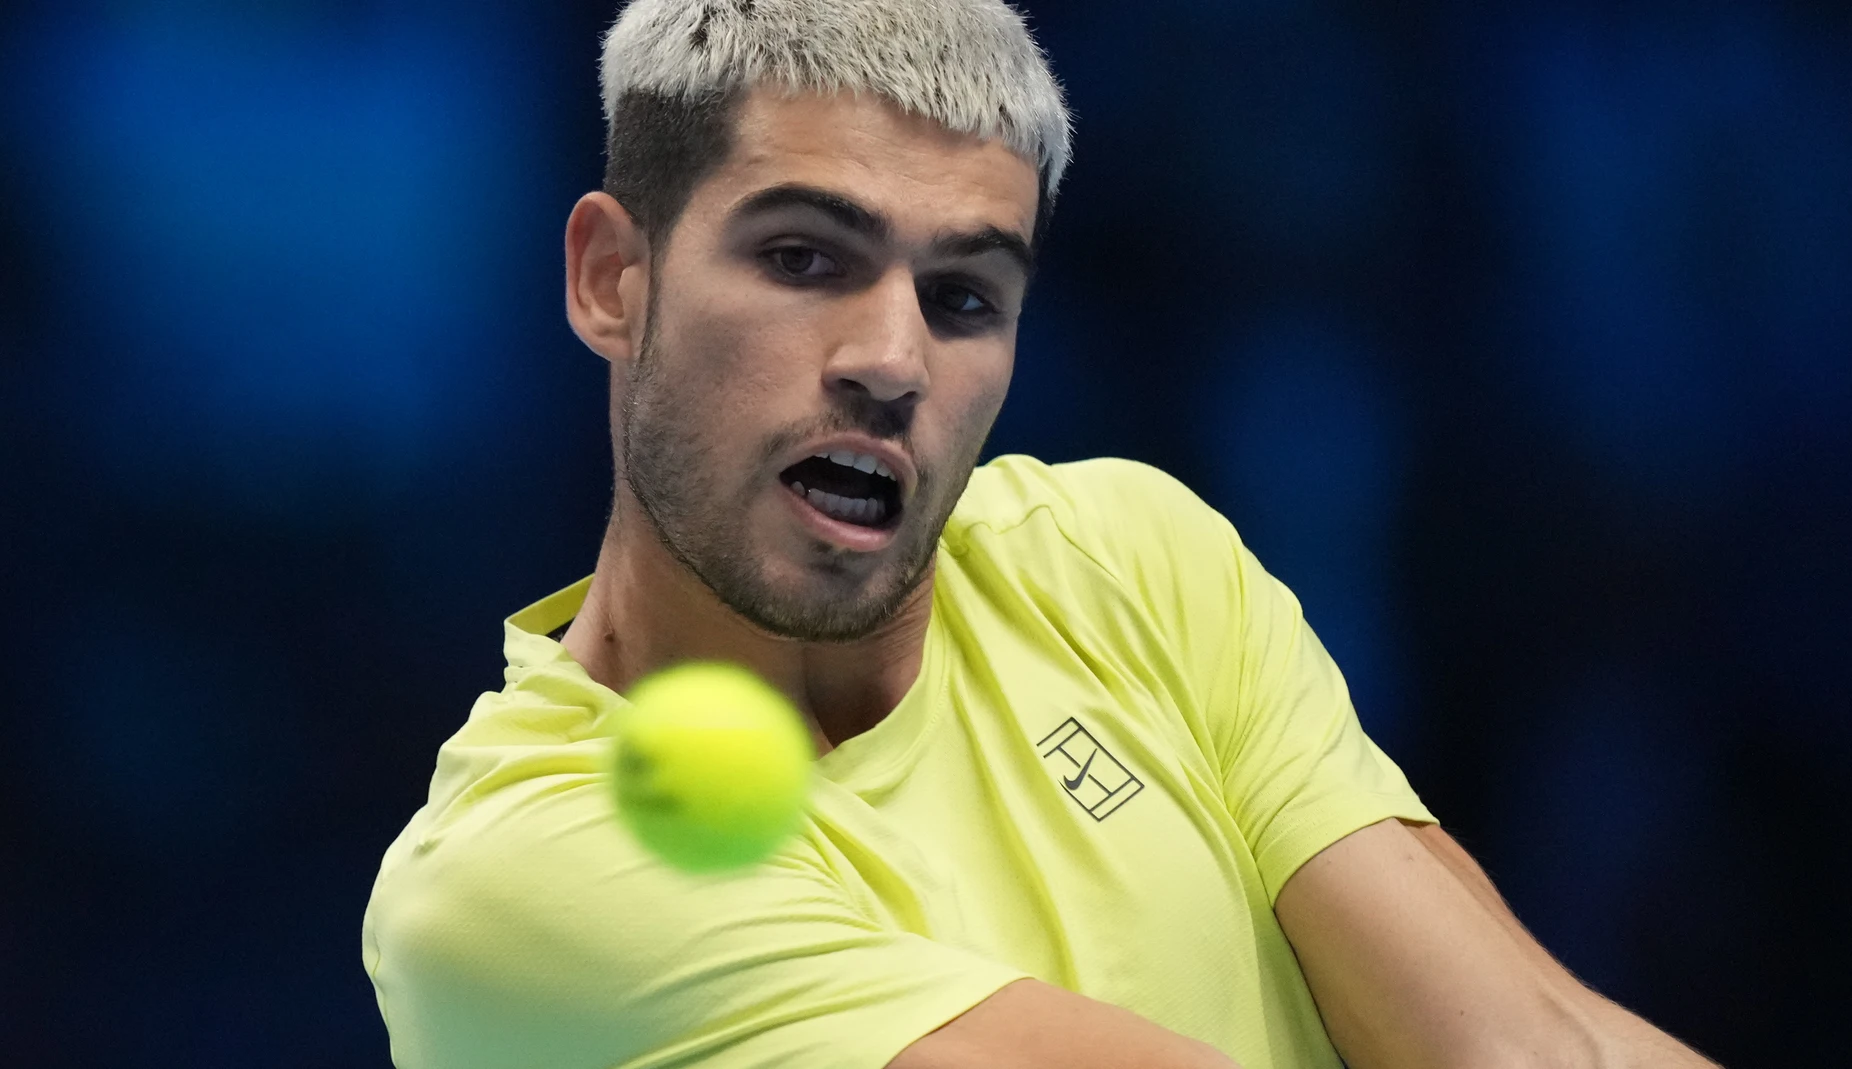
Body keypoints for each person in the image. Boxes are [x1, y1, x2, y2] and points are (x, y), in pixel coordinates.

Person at [361, 1, 1721, 1066]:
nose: (891, 358)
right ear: (614, 279)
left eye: (962, 297)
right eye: (803, 258)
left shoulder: (1125, 559)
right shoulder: (505, 882)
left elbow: (1529, 1044)